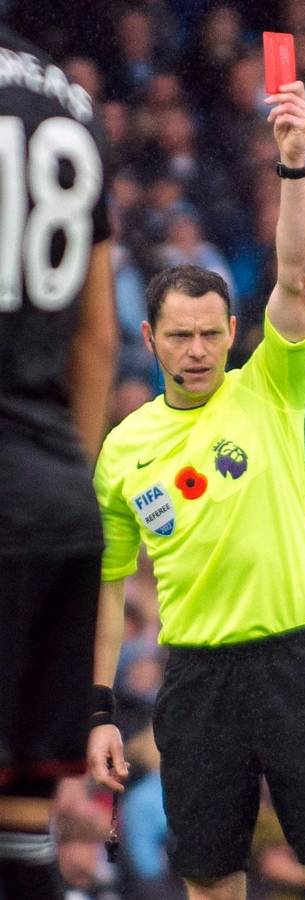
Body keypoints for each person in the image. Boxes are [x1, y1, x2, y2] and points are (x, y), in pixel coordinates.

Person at [87, 81, 305, 900]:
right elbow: (109, 588)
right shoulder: (123, 451)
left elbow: (294, 279)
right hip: (196, 679)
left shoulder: (269, 387)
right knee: (209, 884)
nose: (197, 350)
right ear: (149, 340)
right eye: (179, 336)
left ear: (230, 333)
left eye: (212, 333)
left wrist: (292, 165)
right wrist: (100, 708)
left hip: (295, 661)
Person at [0, 24, 117, 900]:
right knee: (23, 825)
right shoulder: (72, 103)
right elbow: (99, 335)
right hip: (58, 501)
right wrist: (69, 480)